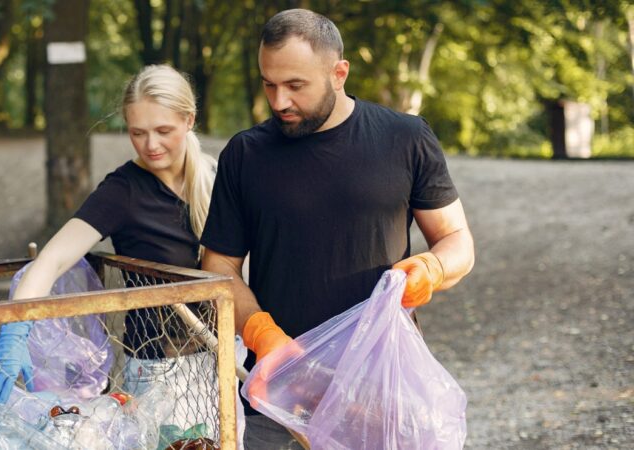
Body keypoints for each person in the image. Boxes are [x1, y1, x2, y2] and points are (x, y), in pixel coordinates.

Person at [200, 9, 475, 450]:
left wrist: (433, 267)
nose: (278, 101)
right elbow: (218, 268)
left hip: (379, 392)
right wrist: (260, 333)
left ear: (339, 72)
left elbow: (458, 241)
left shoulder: (405, 138)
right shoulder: (245, 154)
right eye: (269, 84)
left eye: (295, 86)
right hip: (279, 394)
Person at [0, 64, 234, 440]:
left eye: (163, 131)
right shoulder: (122, 191)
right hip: (161, 374)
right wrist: (16, 328)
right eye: (137, 132)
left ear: (189, 120)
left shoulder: (216, 176)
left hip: (223, 358)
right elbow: (53, 259)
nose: (151, 145)